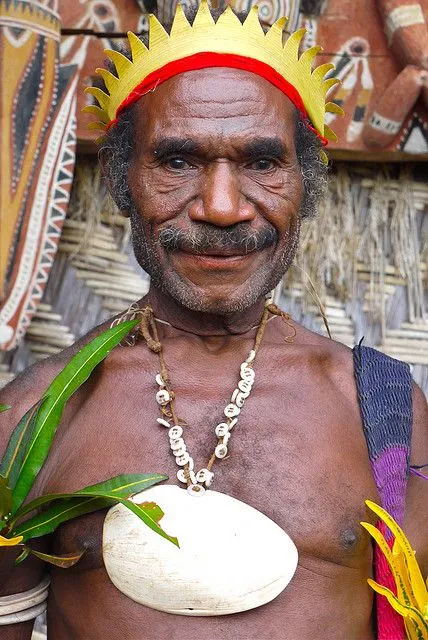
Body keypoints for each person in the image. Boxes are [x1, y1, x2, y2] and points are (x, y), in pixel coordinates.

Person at [0, 2, 427, 638]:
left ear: (304, 185)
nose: (222, 208)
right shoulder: (34, 418)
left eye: (261, 162)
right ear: (123, 180)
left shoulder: (382, 410)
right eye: (177, 161)